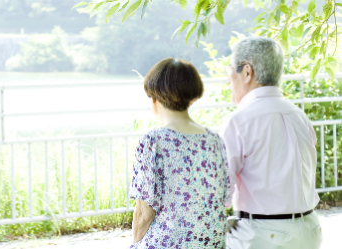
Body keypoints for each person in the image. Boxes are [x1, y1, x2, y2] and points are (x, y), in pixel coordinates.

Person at [220, 36, 322, 249]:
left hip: (263, 236)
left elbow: (220, 193)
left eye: (230, 69)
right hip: (310, 230)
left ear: (247, 72)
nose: (228, 78)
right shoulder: (299, 116)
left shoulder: (239, 121)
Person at [129, 58, 230, 249]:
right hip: (214, 242)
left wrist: (133, 244)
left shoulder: (153, 141)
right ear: (192, 98)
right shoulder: (214, 140)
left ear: (154, 99)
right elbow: (223, 196)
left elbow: (144, 214)